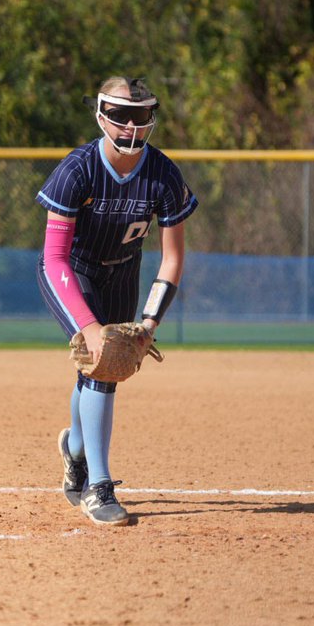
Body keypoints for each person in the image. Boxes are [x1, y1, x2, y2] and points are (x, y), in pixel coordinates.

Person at [36, 76, 199, 527]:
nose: (131, 125)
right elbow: (54, 257)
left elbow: (172, 258)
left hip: (123, 273)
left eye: (141, 115)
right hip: (73, 272)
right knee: (103, 362)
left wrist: (149, 323)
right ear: (101, 115)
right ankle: (99, 486)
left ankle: (75, 449)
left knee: (96, 371)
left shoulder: (163, 174)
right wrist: (89, 328)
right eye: (121, 115)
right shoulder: (78, 170)